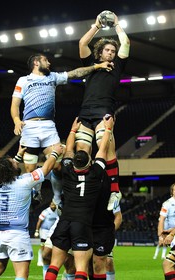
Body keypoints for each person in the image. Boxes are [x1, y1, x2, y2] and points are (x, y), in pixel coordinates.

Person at [10, 53, 112, 205]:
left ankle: (57, 198)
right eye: (46, 60)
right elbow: (15, 105)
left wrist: (97, 66)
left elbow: (75, 73)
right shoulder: (23, 81)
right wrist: (17, 120)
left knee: (58, 167)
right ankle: (35, 192)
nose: (49, 63)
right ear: (36, 63)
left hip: (48, 127)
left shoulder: (52, 77)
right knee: (31, 169)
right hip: (29, 127)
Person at [45, 116, 114, 280]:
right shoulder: (96, 173)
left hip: (64, 222)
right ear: (89, 163)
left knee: (54, 265)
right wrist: (108, 129)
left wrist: (73, 130)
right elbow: (103, 150)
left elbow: (69, 149)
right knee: (81, 268)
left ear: (74, 163)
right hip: (82, 224)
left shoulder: (67, 171)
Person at [0, 143, 63, 280]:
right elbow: (46, 168)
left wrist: (19, 155)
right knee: (21, 274)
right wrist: (55, 153)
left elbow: (8, 168)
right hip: (17, 234)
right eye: (13, 162)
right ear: (10, 170)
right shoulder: (25, 182)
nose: (16, 162)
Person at [76, 11, 130, 210]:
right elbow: (82, 44)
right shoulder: (90, 64)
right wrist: (96, 26)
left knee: (105, 149)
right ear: (100, 52)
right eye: (107, 50)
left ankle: (115, 191)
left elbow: (126, 43)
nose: (111, 53)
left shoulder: (117, 67)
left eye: (112, 51)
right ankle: (86, 190)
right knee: (82, 153)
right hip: (85, 112)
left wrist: (117, 24)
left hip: (104, 111)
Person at [91, 133, 123, 280]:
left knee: (106, 262)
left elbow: (118, 217)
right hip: (86, 231)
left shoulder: (110, 192)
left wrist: (110, 231)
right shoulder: (87, 187)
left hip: (103, 232)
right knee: (78, 263)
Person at [154, 184, 175, 260]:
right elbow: (161, 219)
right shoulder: (167, 203)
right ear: (172, 192)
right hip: (172, 232)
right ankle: (157, 256)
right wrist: (160, 235)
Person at [34, 201, 59, 267]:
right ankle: (40, 260)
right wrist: (36, 230)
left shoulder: (58, 211)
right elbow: (39, 221)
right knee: (43, 246)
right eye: (51, 204)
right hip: (44, 231)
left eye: (54, 204)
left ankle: (50, 260)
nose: (52, 205)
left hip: (52, 232)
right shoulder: (45, 212)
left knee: (50, 247)